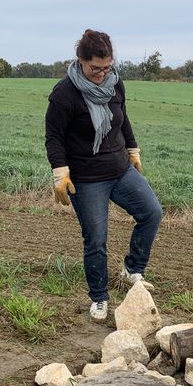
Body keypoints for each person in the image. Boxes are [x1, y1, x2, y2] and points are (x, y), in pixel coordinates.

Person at [45, 29, 163, 321]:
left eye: (106, 67)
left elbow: (122, 116)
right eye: (95, 68)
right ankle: (99, 297)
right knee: (96, 239)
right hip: (86, 179)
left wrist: (133, 149)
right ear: (80, 61)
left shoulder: (115, 83)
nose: (101, 74)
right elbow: (54, 137)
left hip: (120, 168)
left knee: (152, 213)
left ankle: (132, 269)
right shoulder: (65, 94)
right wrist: (60, 172)